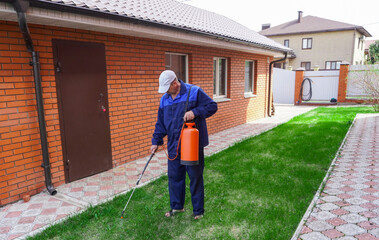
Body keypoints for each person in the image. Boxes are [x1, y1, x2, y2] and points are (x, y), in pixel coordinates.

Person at [151, 70, 217, 220]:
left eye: (167, 88)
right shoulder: (164, 99)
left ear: (175, 83)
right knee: (174, 177)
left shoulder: (194, 92)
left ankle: (198, 211)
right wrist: (156, 141)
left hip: (191, 144)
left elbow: (212, 106)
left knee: (195, 177)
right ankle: (177, 206)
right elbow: (161, 123)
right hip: (174, 144)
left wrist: (195, 111)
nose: (166, 92)